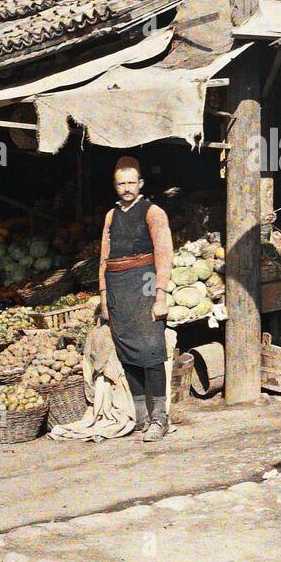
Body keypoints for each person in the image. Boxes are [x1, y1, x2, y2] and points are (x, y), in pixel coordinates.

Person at [98, 156, 174, 442]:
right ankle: (141, 415)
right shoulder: (110, 216)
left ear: (141, 183)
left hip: (145, 281)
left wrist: (160, 296)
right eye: (121, 184)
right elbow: (104, 258)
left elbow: (165, 255)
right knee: (127, 352)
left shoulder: (153, 212)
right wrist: (104, 297)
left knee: (151, 349)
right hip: (118, 287)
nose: (127, 188)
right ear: (115, 186)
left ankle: (160, 418)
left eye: (132, 182)